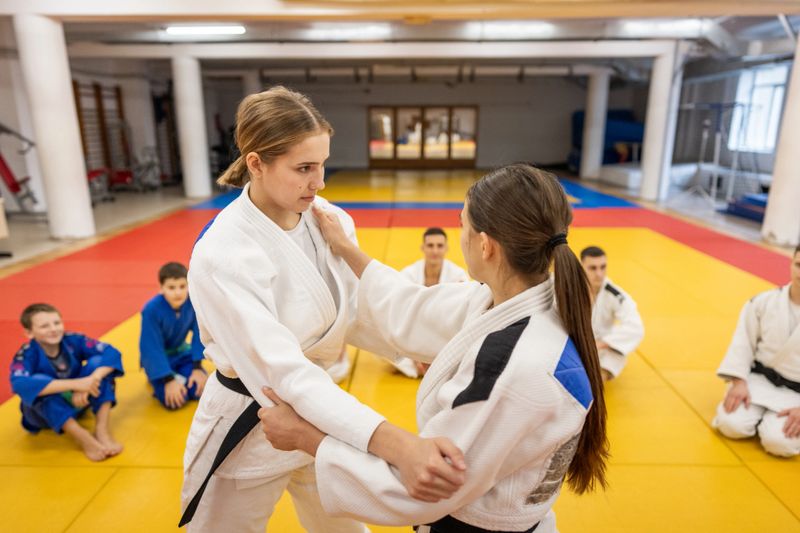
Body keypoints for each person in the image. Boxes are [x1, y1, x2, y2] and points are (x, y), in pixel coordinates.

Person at [259, 163, 609, 533]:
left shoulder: (514, 367)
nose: (460, 236)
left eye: (462, 225)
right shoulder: (514, 302)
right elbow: (414, 307)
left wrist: (307, 438)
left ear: (486, 245)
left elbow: (426, 487)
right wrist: (345, 249)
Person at [179, 86, 466, 532]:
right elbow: (284, 374)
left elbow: (349, 313)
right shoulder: (223, 254)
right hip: (255, 417)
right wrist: (397, 446)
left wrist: (411, 351)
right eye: (304, 168)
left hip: (323, 414)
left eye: (322, 164)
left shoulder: (326, 218)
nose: (320, 181)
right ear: (255, 163)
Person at [712, 245, 800, 457]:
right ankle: (761, 416)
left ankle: (769, 422)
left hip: (796, 395)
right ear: (791, 264)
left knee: (779, 443)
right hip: (758, 383)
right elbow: (743, 342)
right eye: (799, 265)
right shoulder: (764, 302)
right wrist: (739, 382)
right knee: (730, 425)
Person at [10, 303, 124, 461]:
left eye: (57, 323)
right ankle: (84, 438)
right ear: (29, 333)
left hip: (79, 401)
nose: (53, 329)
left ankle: (101, 429)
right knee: (38, 381)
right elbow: (19, 383)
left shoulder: (73, 340)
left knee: (98, 365)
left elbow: (111, 352)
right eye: (44, 326)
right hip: (43, 415)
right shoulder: (27, 354)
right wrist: (76, 384)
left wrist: (92, 380)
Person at [393, 227, 468, 378]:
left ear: (446, 248)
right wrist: (414, 354)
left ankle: (431, 363)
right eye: (430, 245)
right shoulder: (408, 275)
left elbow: (461, 318)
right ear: (423, 248)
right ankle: (426, 364)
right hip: (412, 333)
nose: (435, 251)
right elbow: (399, 315)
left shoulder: (458, 276)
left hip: (443, 336)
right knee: (384, 343)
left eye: (439, 246)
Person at [139, 262, 207, 410]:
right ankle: (157, 379)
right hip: (160, 360)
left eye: (182, 286)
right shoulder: (151, 309)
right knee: (175, 400)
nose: (178, 292)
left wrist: (197, 367)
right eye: (171, 288)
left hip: (182, 355)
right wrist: (168, 379)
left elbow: (199, 333)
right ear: (161, 288)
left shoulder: (192, 302)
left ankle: (182, 377)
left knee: (198, 390)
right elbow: (150, 347)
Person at [580, 246, 644, 381]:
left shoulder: (614, 294)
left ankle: (596, 381)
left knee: (616, 355)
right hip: (573, 342)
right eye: (593, 268)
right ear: (581, 267)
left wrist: (601, 344)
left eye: (603, 267)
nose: (599, 273)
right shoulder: (567, 288)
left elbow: (635, 326)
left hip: (599, 345)